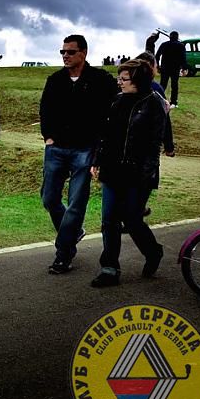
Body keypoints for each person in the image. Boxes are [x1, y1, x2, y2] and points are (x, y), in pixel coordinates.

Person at [39, 34, 117, 275]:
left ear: (83, 53)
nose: (65, 56)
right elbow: (45, 110)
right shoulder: (55, 80)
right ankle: (74, 231)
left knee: (76, 204)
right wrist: (49, 138)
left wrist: (100, 145)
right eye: (62, 52)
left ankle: (63, 254)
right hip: (57, 148)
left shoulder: (101, 80)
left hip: (85, 149)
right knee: (49, 199)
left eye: (70, 52)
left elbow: (115, 108)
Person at [89, 59, 167, 287]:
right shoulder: (116, 101)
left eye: (125, 79)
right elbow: (106, 136)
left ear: (139, 80)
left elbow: (154, 144)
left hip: (139, 172)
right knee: (109, 220)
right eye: (119, 78)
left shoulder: (154, 104)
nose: (120, 83)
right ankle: (109, 268)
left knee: (132, 220)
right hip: (113, 170)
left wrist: (146, 175)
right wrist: (97, 160)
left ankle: (153, 252)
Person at [154, 31, 188, 108]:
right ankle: (173, 102)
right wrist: (184, 68)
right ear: (177, 37)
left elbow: (157, 55)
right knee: (174, 85)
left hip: (164, 68)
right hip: (175, 68)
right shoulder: (181, 45)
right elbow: (183, 58)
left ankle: (158, 99)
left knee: (162, 85)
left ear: (169, 37)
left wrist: (157, 66)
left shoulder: (164, 44)